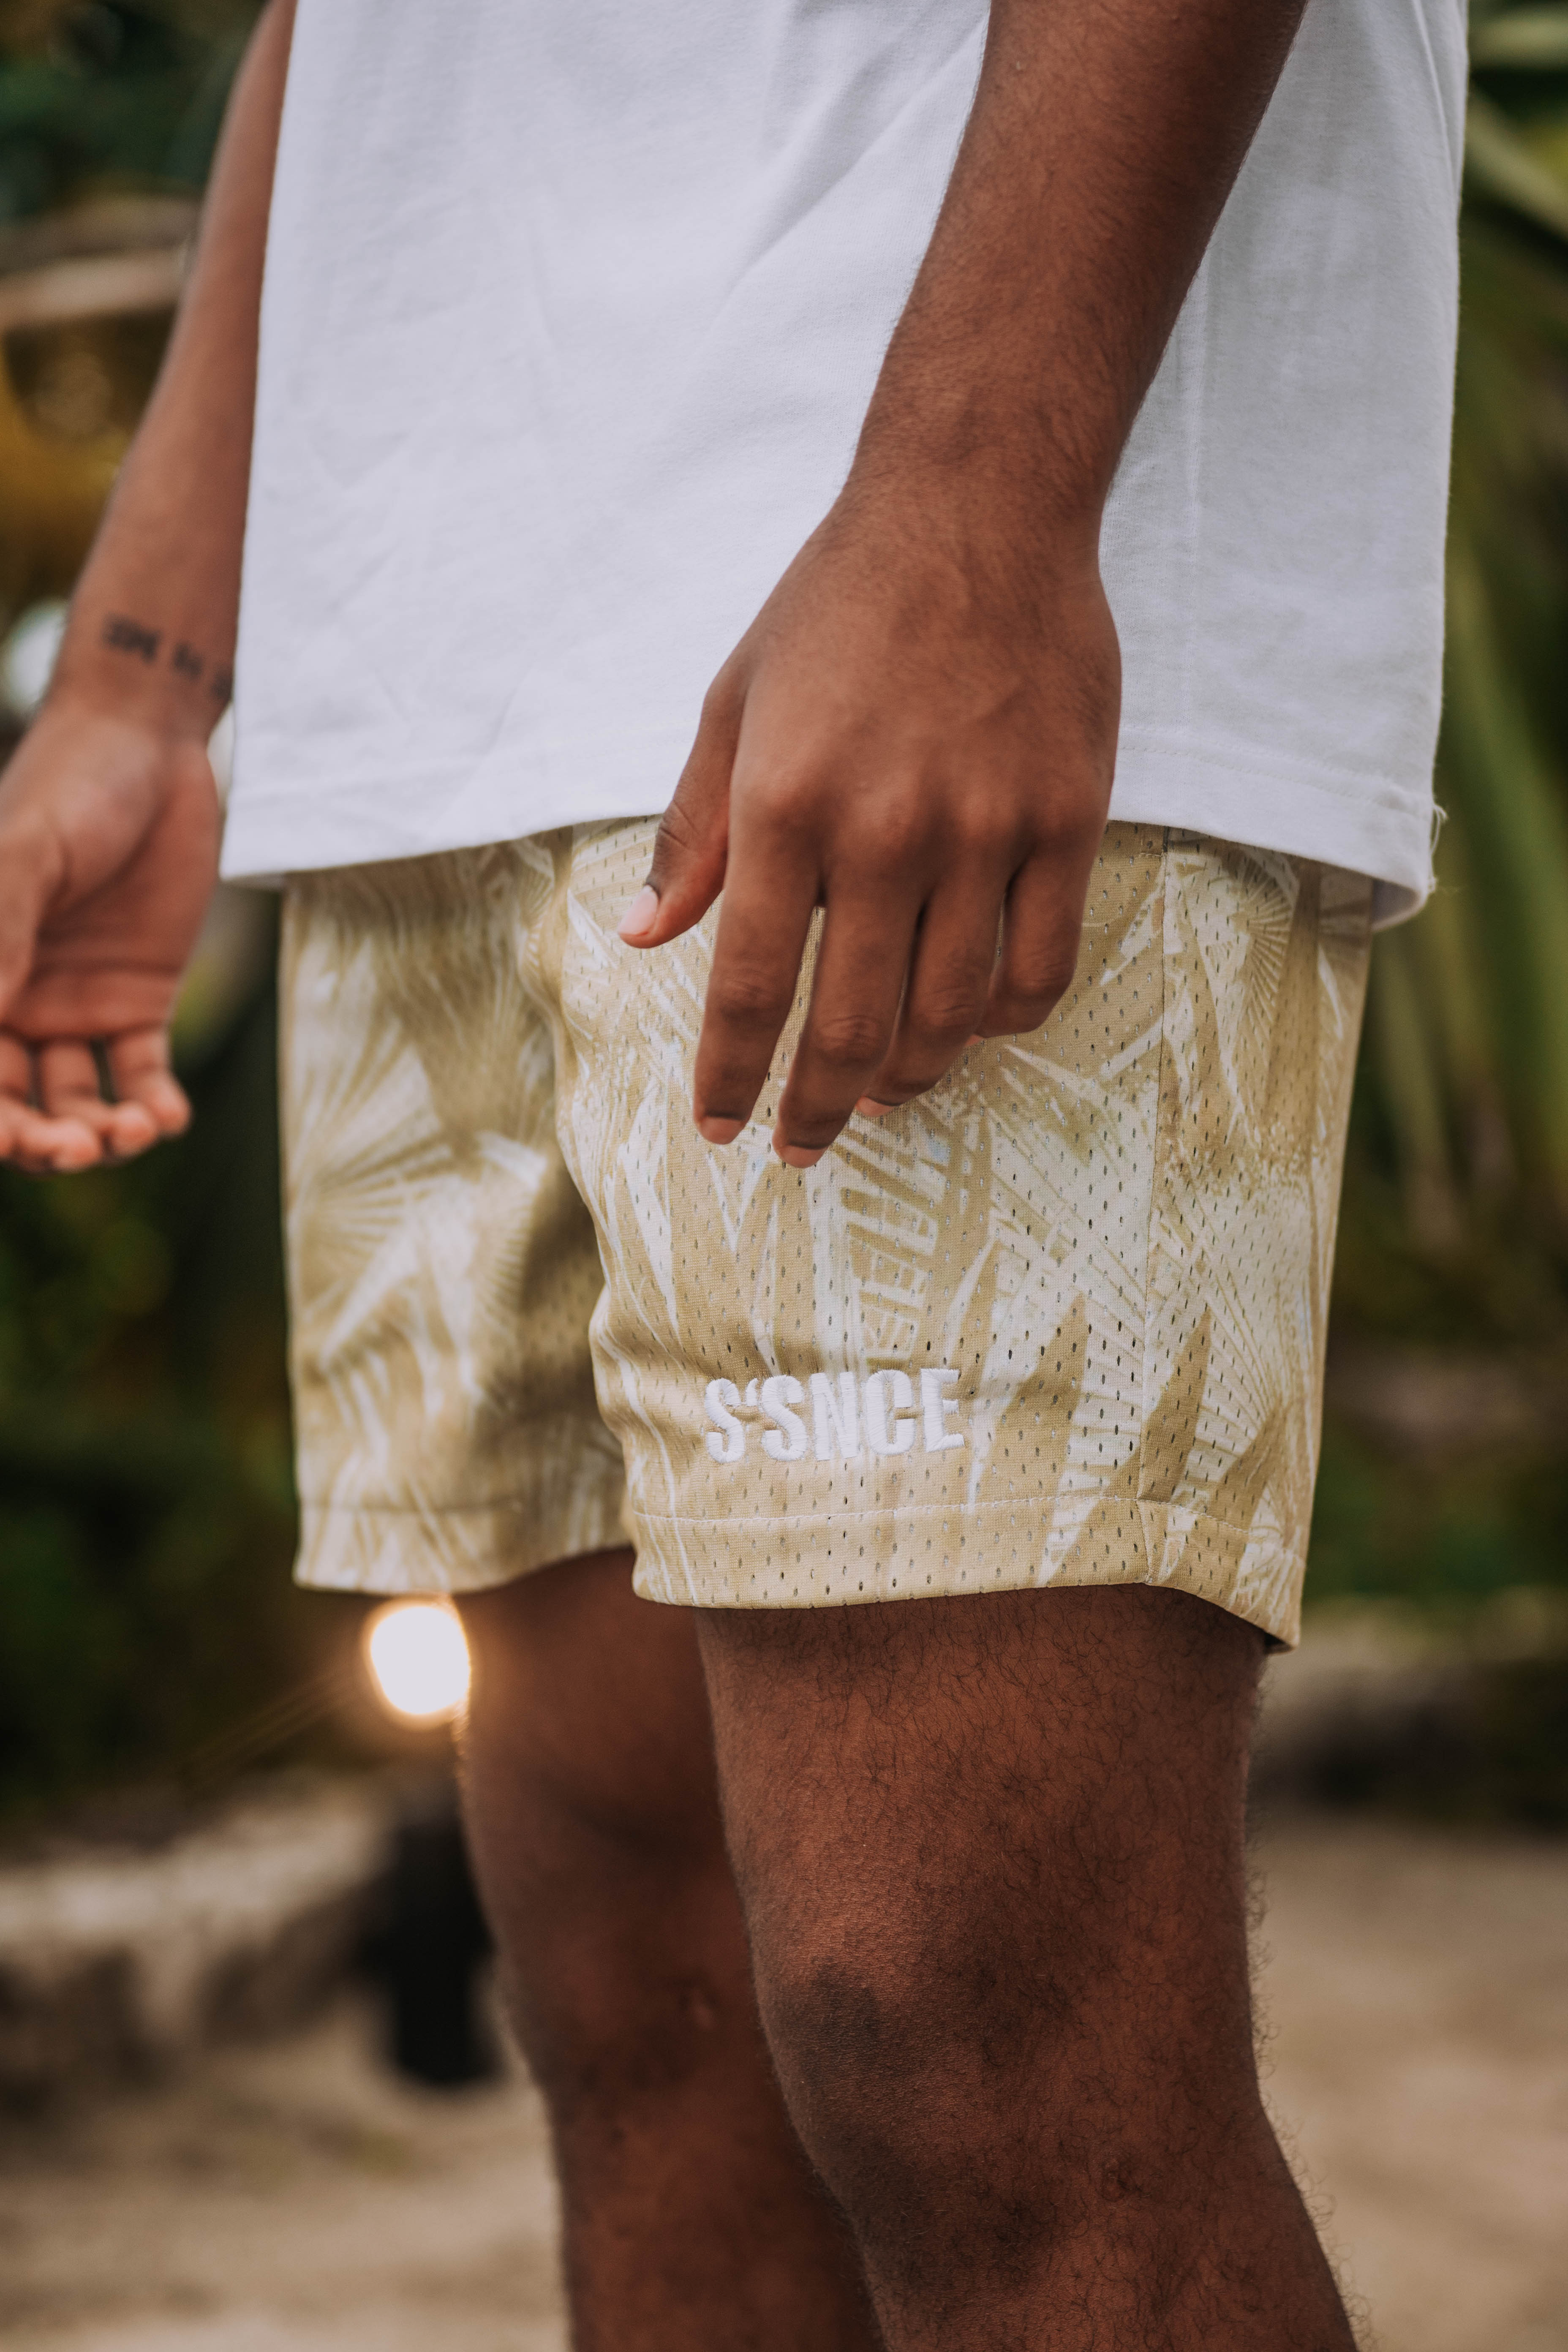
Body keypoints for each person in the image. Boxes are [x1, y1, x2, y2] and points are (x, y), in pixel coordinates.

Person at [0, 0, 1465, 2339]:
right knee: (640, 2025)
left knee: (975, 2056)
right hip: (422, 686)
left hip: (931, 548)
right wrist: (150, 669)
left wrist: (983, 496)